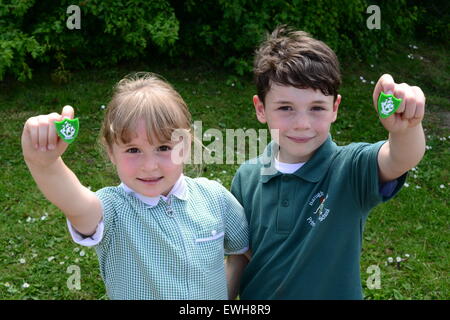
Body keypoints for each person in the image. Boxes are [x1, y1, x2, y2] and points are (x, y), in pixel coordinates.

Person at [227, 26, 426, 299]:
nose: (302, 124)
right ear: (261, 109)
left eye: (317, 108)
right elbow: (241, 256)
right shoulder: (246, 176)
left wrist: (405, 128)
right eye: (285, 108)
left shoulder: (350, 168)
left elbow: (401, 157)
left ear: (335, 108)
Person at [21, 73, 249, 299]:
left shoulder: (214, 198)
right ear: (111, 152)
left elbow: (243, 251)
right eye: (133, 150)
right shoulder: (113, 210)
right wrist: (46, 165)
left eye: (163, 148)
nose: (149, 166)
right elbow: (75, 204)